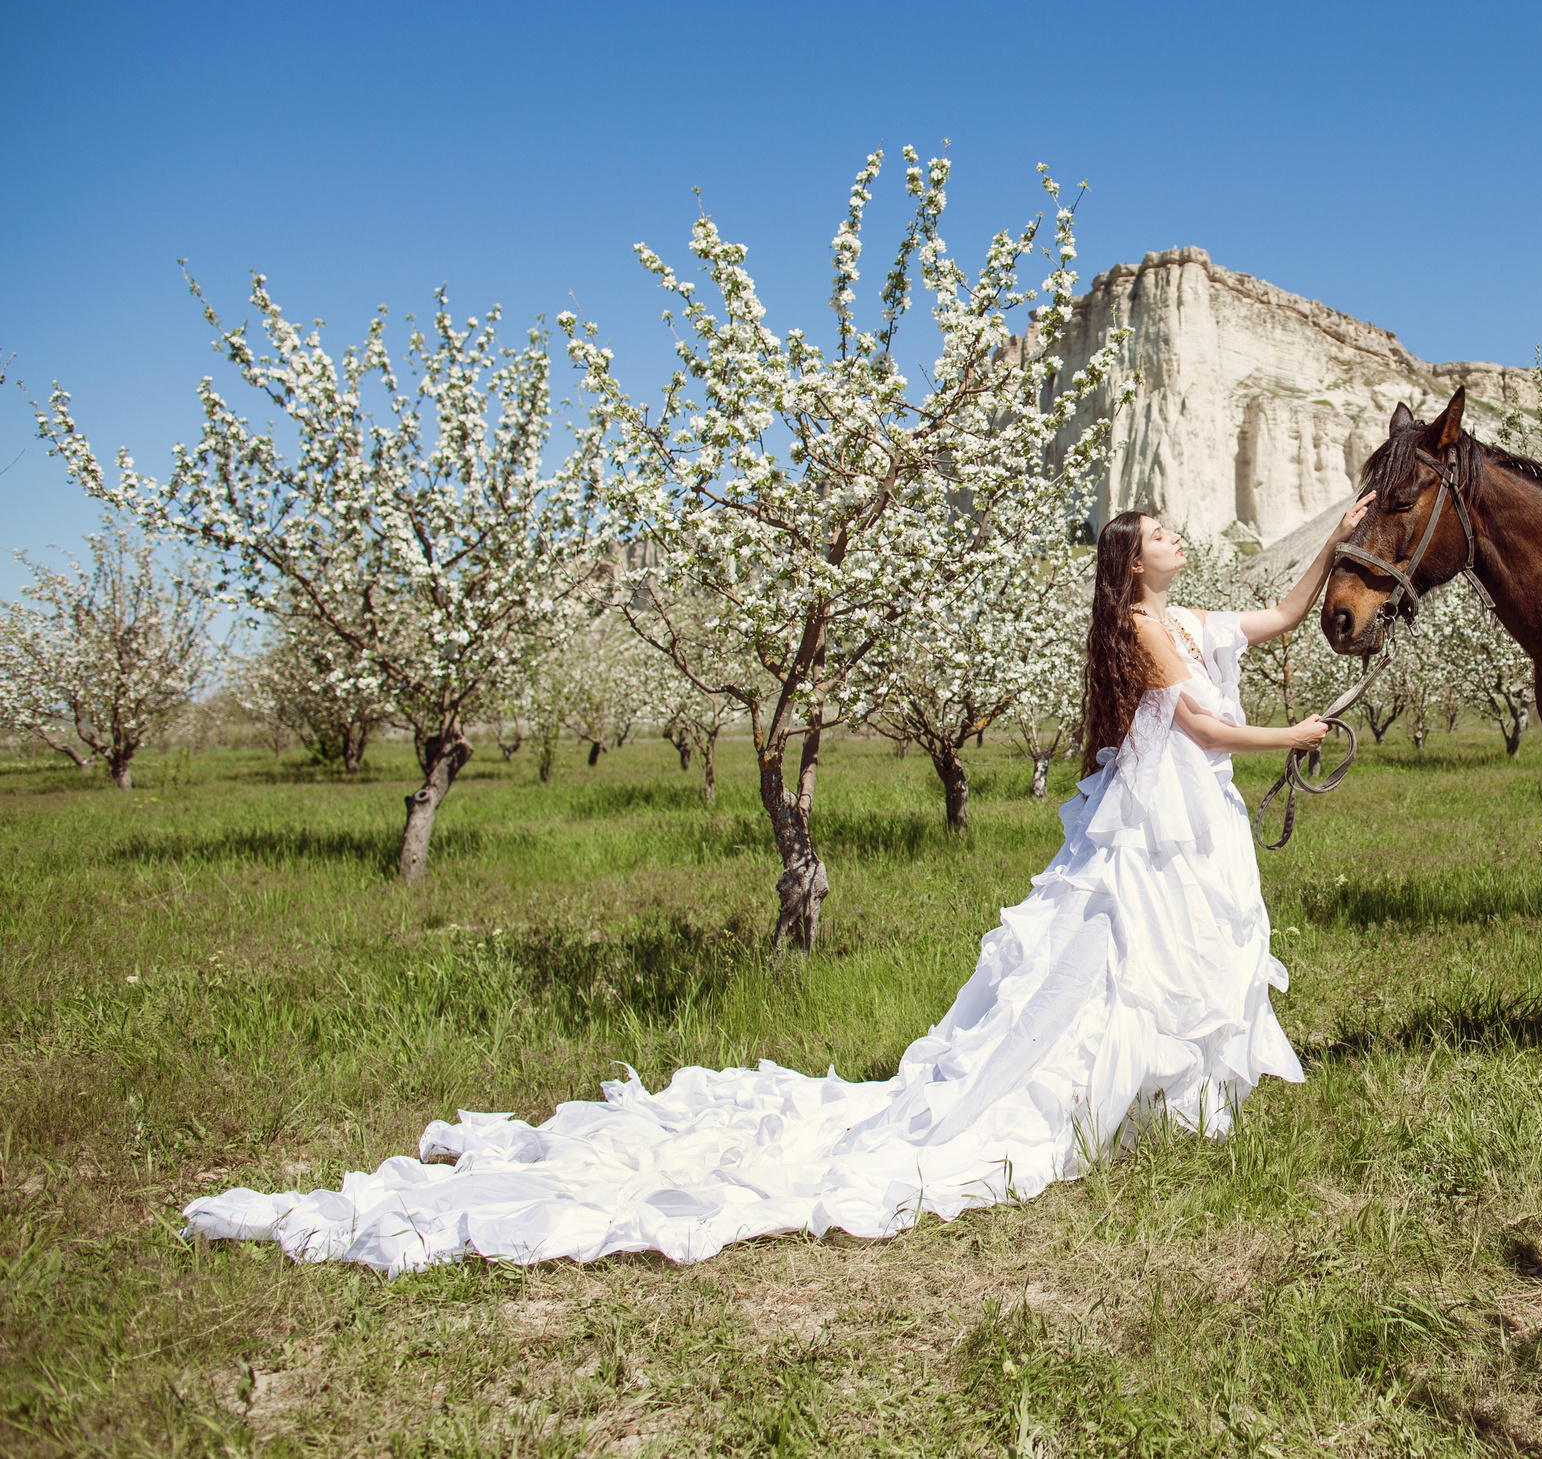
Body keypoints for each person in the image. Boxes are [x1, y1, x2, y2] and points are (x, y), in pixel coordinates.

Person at [182, 496, 1373, 1274]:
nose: (1172, 538)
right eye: (1158, 531)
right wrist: (1301, 736)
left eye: (1167, 530)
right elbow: (1207, 740)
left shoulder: (1185, 615)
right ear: (1130, 559)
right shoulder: (1143, 624)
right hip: (1164, 823)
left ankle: (1165, 1109)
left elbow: (1273, 616)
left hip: (1181, 827)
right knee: (1120, 966)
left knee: (1169, 962)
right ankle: (1115, 1110)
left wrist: (1347, 538)